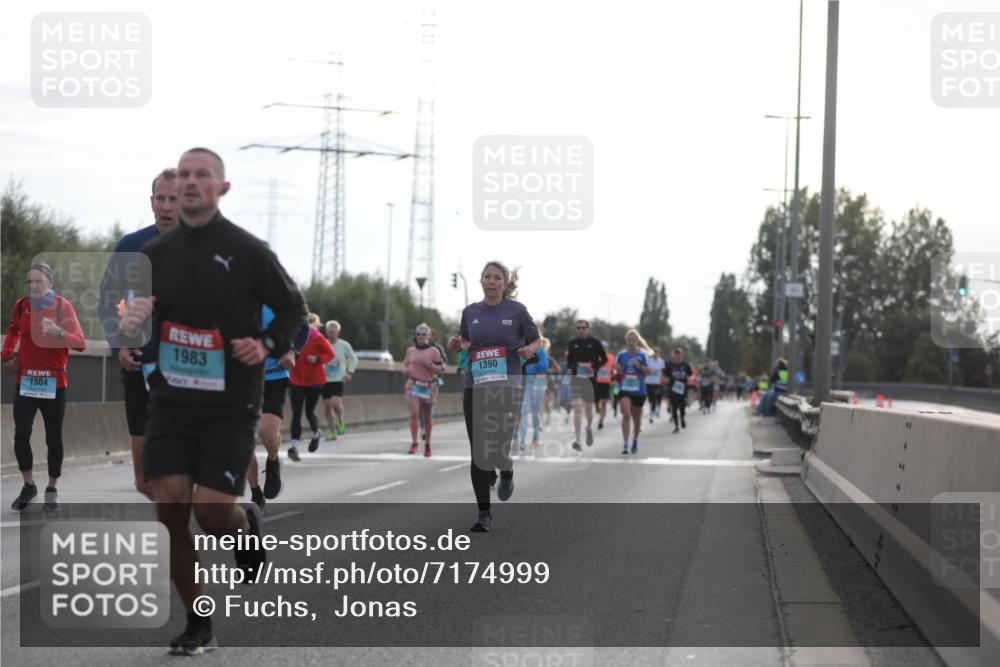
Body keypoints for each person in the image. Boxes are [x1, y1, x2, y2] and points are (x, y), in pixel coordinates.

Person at [118, 147, 307, 655]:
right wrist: (132, 328)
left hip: (230, 404)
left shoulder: (249, 251)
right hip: (172, 401)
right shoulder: (154, 255)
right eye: (183, 175)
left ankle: (246, 525)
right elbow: (133, 322)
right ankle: (199, 623)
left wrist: (267, 345)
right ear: (174, 189)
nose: (191, 182)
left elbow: (295, 312)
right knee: (171, 508)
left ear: (222, 188)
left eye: (203, 174)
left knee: (211, 512)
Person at [98, 168, 179, 499]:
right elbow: (107, 300)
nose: (166, 206)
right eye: (161, 198)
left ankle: (181, 535)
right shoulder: (130, 245)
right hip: (138, 366)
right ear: (151, 202)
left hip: (186, 368)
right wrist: (119, 344)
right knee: (144, 481)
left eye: (174, 199)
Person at [447, 261, 540, 533]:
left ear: (504, 283)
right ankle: (484, 514)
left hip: (506, 385)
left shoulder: (517, 311)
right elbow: (466, 341)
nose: (491, 281)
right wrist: (457, 344)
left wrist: (529, 349)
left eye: (497, 277)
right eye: (487, 277)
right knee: (478, 451)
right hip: (475, 384)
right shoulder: (470, 312)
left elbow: (537, 340)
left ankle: (506, 470)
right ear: (481, 281)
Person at [3, 262, 86, 511]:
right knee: (21, 433)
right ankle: (29, 486)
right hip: (26, 380)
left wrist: (60, 333)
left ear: (50, 283)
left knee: (54, 439)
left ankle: (52, 488)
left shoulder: (63, 306)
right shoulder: (22, 305)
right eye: (30, 281)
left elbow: (81, 343)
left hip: (54, 382)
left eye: (38, 281)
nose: (33, 285)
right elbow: (13, 331)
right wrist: (6, 355)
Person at [246, 306, 309, 509]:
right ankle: (256, 492)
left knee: (266, 432)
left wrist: (293, 352)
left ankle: (273, 462)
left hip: (274, 376)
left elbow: (303, 325)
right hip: (241, 379)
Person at [288, 314, 335, 460]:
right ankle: (294, 446)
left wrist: (318, 358)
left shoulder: (318, 338)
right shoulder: (293, 337)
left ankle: (316, 433)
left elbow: (330, 354)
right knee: (296, 413)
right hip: (296, 380)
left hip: (314, 381)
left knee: (309, 412)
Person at [402, 323, 445, 456]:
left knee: (427, 418)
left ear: (429, 336)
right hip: (413, 384)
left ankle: (427, 445)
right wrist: (406, 370)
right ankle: (414, 443)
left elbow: (440, 370)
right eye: (418, 334)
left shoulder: (434, 351)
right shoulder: (410, 351)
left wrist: (430, 365)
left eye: (423, 334)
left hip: (428, 386)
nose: (420, 336)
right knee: (414, 414)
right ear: (415, 336)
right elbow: (404, 365)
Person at [566, 320, 608, 450]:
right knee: (577, 408)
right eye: (578, 327)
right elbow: (570, 360)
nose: (581, 329)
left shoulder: (595, 343)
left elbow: (604, 359)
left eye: (583, 327)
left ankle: (589, 427)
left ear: (588, 329)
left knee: (589, 409)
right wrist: (569, 369)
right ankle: (577, 440)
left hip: (591, 380)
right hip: (577, 379)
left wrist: (594, 367)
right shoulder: (572, 344)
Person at [615, 330, 652, 454]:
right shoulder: (621, 355)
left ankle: (635, 439)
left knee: (636, 418)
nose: (631, 342)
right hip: (625, 388)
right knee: (626, 414)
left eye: (633, 340)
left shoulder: (643, 355)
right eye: (629, 340)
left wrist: (639, 365)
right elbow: (617, 371)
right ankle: (625, 444)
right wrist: (618, 370)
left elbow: (648, 371)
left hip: (639, 390)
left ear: (637, 341)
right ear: (626, 341)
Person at [321, 320, 358, 439]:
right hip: (324, 379)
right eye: (329, 332)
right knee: (327, 407)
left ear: (338, 332)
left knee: (335, 403)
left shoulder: (344, 345)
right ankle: (332, 431)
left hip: (338, 378)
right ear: (326, 332)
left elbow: (353, 359)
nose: (332, 334)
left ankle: (340, 420)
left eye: (334, 332)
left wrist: (349, 372)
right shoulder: (322, 343)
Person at [518, 336, 551, 451]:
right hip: (528, 383)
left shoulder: (540, 350)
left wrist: (531, 368)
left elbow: (544, 366)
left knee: (536, 413)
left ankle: (535, 438)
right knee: (524, 411)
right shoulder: (522, 348)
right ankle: (522, 441)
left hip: (539, 383)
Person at [664, 347, 693, 434]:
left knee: (682, 408)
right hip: (673, 389)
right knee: (674, 408)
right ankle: (676, 426)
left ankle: (682, 418)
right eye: (676, 354)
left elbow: (690, 374)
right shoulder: (670, 365)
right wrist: (666, 380)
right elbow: (665, 375)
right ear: (674, 355)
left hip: (683, 389)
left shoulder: (686, 365)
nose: (678, 356)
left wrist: (689, 380)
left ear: (682, 355)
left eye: (679, 354)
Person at [594, 340, 614, 429]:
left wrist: (614, 374)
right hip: (596, 382)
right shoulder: (595, 357)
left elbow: (614, 368)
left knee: (604, 403)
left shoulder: (611, 357)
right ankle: (598, 409)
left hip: (606, 383)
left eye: (604, 348)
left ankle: (601, 421)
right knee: (596, 404)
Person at [646, 346, 666, 423]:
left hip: (657, 383)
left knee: (656, 398)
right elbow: (646, 369)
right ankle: (653, 411)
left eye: (657, 352)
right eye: (654, 352)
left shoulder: (661, 361)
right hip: (648, 382)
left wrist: (663, 379)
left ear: (659, 353)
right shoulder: (648, 361)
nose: (655, 354)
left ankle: (654, 412)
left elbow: (663, 372)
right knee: (651, 399)